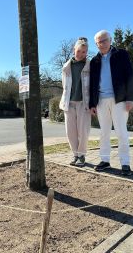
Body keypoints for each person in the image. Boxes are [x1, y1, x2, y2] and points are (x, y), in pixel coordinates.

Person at [89, 30, 133, 176]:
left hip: (119, 100)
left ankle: (125, 163)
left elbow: (130, 76)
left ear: (110, 40)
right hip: (101, 101)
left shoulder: (121, 55)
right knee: (104, 132)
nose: (102, 44)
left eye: (104, 40)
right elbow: (92, 84)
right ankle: (105, 160)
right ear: (96, 44)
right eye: (98, 42)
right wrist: (92, 104)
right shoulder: (94, 61)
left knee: (121, 132)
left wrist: (130, 98)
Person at [59, 37, 91, 167]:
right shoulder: (66, 67)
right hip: (69, 103)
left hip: (84, 103)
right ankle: (75, 155)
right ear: (74, 50)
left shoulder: (89, 66)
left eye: (84, 52)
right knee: (70, 131)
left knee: (83, 131)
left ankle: (82, 155)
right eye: (79, 51)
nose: (81, 54)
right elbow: (64, 85)